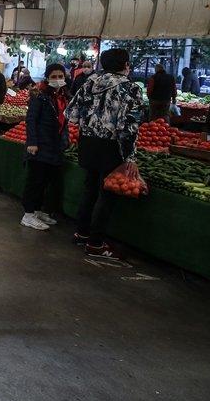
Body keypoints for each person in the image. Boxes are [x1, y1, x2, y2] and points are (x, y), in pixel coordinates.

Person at [65, 48, 142, 258]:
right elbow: (129, 126)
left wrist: (90, 123)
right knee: (106, 193)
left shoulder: (89, 83)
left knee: (89, 187)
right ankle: (96, 242)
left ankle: (81, 233)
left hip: (87, 143)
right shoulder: (130, 88)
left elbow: (70, 114)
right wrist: (130, 157)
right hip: (112, 145)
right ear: (126, 65)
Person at [20, 64, 71, 230]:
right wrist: (32, 142)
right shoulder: (39, 96)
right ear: (47, 78)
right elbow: (31, 120)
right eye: (54, 77)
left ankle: (37, 210)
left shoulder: (63, 96)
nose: (57, 80)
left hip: (54, 145)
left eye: (60, 76)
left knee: (47, 181)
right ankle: (28, 214)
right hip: (40, 144)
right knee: (35, 180)